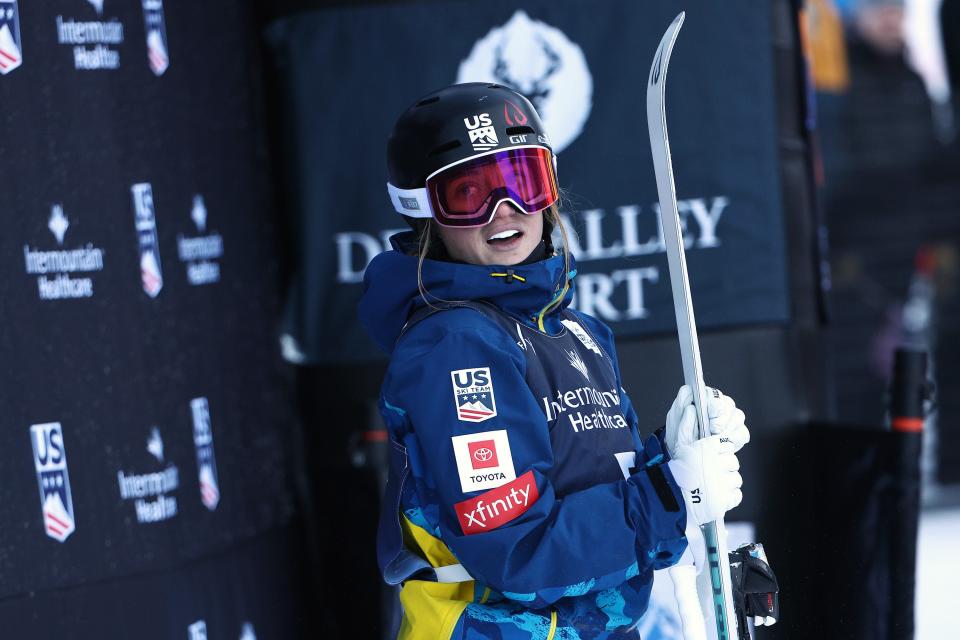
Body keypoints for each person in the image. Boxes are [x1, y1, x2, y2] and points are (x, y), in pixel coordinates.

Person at [359, 83, 749, 640]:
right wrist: (673, 495)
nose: (505, 211)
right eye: (470, 194)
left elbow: (594, 493)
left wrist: (672, 457)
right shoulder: (455, 349)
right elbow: (520, 553)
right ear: (425, 211)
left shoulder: (575, 333)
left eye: (522, 180)